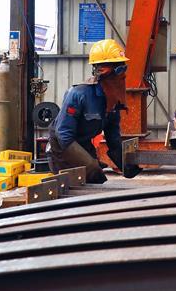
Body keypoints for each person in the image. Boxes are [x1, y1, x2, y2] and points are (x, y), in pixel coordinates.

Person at [46, 38, 142, 183]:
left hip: (83, 144)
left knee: (97, 182)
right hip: (62, 148)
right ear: (101, 70)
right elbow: (63, 134)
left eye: (123, 67)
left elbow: (113, 138)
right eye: (118, 68)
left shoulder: (113, 102)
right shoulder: (79, 94)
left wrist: (125, 164)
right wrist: (90, 165)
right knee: (89, 176)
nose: (122, 75)